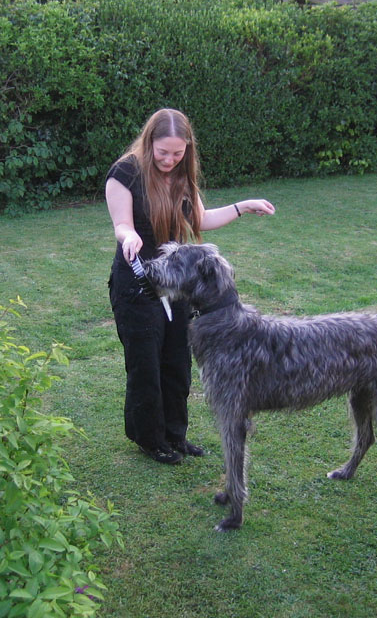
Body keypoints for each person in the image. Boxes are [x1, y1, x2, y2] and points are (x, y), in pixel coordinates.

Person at [106, 108, 275, 464]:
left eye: (177, 153)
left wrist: (243, 206)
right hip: (137, 280)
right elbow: (122, 223)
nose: (169, 160)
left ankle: (175, 435)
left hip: (176, 283)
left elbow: (200, 219)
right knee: (145, 364)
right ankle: (150, 439)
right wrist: (129, 235)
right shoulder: (125, 173)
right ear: (149, 142)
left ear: (187, 149)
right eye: (163, 152)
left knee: (177, 362)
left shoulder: (182, 175)